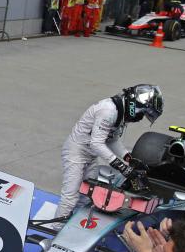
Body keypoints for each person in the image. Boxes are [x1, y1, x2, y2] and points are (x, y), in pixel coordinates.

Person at [54, 84, 163, 220]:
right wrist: (122, 167)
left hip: (90, 155)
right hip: (76, 152)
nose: (140, 118)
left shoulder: (120, 112)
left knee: (87, 196)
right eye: (142, 113)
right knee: (70, 197)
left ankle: (74, 226)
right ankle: (55, 229)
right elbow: (97, 143)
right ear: (135, 105)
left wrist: (128, 158)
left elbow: (112, 140)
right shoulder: (109, 111)